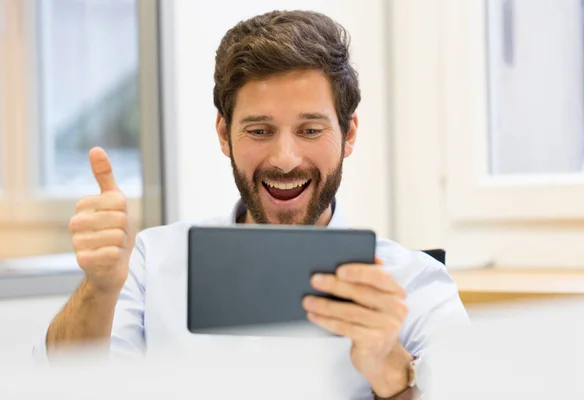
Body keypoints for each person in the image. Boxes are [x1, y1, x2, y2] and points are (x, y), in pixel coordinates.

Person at [34, 10, 468, 399]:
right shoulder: (152, 262)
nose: (285, 159)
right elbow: (65, 387)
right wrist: (100, 288)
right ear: (224, 134)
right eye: (259, 131)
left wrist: (391, 373)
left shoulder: (415, 283)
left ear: (348, 134)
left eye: (311, 130)